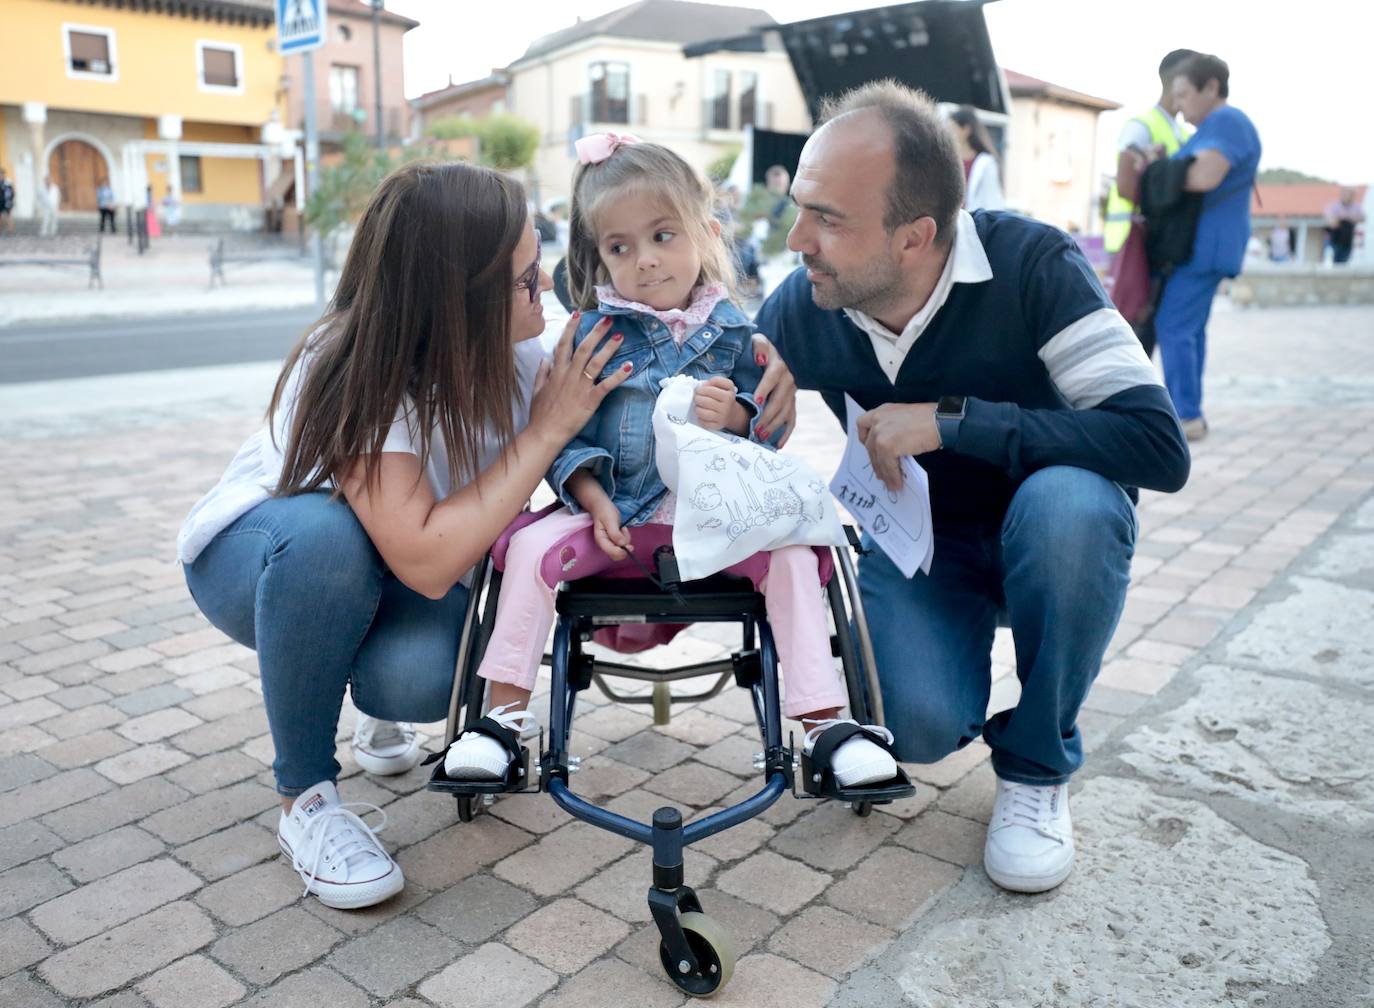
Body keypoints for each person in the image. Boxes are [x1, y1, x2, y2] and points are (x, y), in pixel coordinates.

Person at [177, 160, 797, 911]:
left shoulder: (531, 345)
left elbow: (660, 341)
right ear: (456, 299)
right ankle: (306, 801)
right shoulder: (354, 364)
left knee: (422, 680)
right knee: (326, 538)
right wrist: (548, 430)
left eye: (543, 269)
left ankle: (367, 698)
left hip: (395, 569)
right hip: (269, 560)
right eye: (525, 281)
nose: (548, 290)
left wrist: (762, 379)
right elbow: (430, 561)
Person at [754, 80, 1190, 894]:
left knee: (1071, 507)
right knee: (911, 729)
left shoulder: (1033, 264)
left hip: (1052, 527)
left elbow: (1158, 445)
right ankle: (952, 672)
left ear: (916, 236)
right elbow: (723, 383)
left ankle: (1034, 766)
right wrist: (735, 407)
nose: (795, 238)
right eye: (800, 207)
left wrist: (953, 422)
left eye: (828, 218)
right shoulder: (809, 299)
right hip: (924, 544)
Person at [442, 134, 901, 791]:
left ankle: (826, 725)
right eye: (620, 247)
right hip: (616, 523)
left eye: (663, 237)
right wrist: (592, 497)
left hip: (720, 525)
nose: (646, 262)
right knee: (527, 550)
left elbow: (766, 440)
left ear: (705, 233)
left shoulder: (739, 335)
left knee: (798, 556)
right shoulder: (591, 334)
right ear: (597, 257)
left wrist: (740, 418)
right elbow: (563, 436)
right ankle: (500, 720)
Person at [1153, 53, 1261, 441]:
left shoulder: (1227, 122)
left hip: (1206, 246)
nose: (1178, 106)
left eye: (1183, 94)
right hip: (1207, 244)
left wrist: (1157, 171)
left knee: (1174, 326)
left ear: (1211, 87)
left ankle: (1186, 415)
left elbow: (1203, 176)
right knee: (1190, 329)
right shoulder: (1212, 128)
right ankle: (1190, 411)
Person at [1105, 49, 1197, 256]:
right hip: (1130, 245)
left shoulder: (1182, 133)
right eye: (1198, 80)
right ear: (1179, 82)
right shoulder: (1141, 127)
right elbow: (1125, 186)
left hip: (1156, 243)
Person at [948, 106, 1004, 212]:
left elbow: (993, 202)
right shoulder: (949, 160)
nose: (948, 133)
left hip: (977, 223)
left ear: (965, 130)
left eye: (952, 128)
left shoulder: (986, 163)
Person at [1323, 187, 1365, 264]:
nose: (1347, 196)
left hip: (1348, 239)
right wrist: (1348, 218)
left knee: (1344, 261)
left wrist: (1343, 217)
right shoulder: (1333, 206)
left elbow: (1362, 218)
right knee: (1332, 259)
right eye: (1345, 193)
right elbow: (1332, 222)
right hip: (1334, 238)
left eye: (1349, 194)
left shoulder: (1356, 207)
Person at [0, 167, 14, 236]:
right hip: (0, 202)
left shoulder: (7, 182)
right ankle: (1, 230)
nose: (1, 175)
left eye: (2, 174)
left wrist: (10, 200)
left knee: (9, 216)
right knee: (1, 217)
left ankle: (10, 231)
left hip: (6, 201)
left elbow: (11, 192)